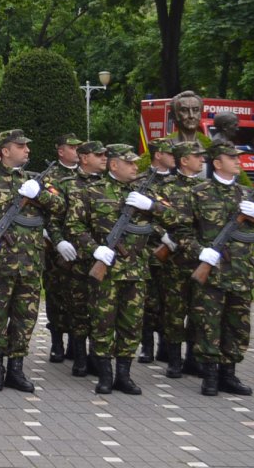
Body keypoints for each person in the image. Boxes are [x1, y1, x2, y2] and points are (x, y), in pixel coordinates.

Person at [0, 129, 64, 393]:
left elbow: (60, 207)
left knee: (25, 317)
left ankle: (16, 370)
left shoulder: (34, 182)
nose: (27, 150)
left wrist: (39, 194)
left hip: (30, 263)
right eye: (21, 146)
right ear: (5, 151)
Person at [174, 141, 254, 396]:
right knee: (208, 324)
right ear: (217, 163)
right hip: (213, 273)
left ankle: (228, 375)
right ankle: (209, 376)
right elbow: (181, 231)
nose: (237, 161)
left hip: (241, 273)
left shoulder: (248, 194)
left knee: (238, 326)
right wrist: (201, 252)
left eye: (238, 157)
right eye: (231, 157)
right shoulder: (198, 193)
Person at [69, 144, 157, 395]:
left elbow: (176, 218)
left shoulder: (145, 191)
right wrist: (94, 249)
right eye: (129, 163)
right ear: (114, 165)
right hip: (106, 270)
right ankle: (105, 375)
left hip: (136, 271)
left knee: (131, 325)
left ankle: (124, 375)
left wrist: (151, 206)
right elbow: (74, 225)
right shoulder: (92, 191)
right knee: (102, 323)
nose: (135, 167)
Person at [53, 140, 108, 377]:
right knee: (78, 309)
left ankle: (98, 356)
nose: (105, 158)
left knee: (102, 310)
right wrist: (59, 241)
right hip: (77, 258)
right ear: (85, 158)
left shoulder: (110, 186)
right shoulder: (66, 184)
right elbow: (54, 219)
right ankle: (79, 357)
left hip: (104, 258)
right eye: (99, 154)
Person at [154, 141, 206, 378]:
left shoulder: (207, 188)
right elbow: (151, 215)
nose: (202, 160)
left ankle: (193, 359)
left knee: (199, 310)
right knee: (174, 311)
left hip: (200, 259)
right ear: (184, 160)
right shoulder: (166, 187)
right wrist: (163, 235)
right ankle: (174, 360)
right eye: (197, 156)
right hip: (175, 260)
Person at [43, 133, 82, 363]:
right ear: (61, 151)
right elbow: (47, 210)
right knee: (56, 294)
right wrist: (53, 238)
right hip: (56, 245)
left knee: (77, 297)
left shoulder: (85, 176)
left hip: (81, 245)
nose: (76, 151)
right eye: (72, 147)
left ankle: (76, 345)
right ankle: (57, 342)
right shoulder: (50, 176)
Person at [139, 139, 176, 365]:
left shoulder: (176, 181)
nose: (175, 157)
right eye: (170, 153)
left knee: (170, 300)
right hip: (149, 248)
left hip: (176, 250)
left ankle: (165, 345)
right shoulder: (142, 181)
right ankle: (146, 346)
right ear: (158, 155)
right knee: (147, 300)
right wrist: (161, 233)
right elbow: (139, 217)